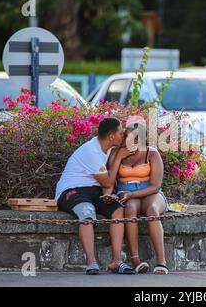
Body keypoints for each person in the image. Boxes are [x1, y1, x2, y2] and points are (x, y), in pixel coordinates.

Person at [55, 117, 136, 275]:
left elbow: (107, 184)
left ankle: (116, 261)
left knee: (117, 210)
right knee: (87, 212)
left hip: (93, 189)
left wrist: (107, 196)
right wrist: (119, 157)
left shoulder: (109, 148)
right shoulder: (91, 151)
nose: (123, 136)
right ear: (111, 136)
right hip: (72, 190)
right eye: (121, 133)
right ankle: (91, 263)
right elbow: (107, 181)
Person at [106, 119, 169, 275]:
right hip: (125, 190)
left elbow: (155, 186)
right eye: (127, 137)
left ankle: (162, 261)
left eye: (136, 138)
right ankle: (136, 260)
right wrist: (120, 156)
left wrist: (133, 193)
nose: (131, 141)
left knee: (152, 210)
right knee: (130, 209)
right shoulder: (116, 152)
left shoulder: (152, 153)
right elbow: (109, 180)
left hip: (149, 191)